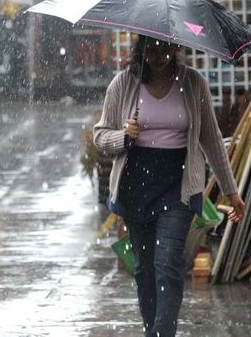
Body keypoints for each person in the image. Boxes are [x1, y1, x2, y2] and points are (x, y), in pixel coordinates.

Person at [93, 35, 245, 337]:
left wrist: (231, 191)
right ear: (140, 49)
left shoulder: (193, 83)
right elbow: (100, 136)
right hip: (136, 185)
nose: (159, 55)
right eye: (151, 48)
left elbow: (212, 140)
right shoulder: (124, 84)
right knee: (145, 270)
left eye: (165, 47)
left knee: (168, 264)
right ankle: (155, 330)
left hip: (179, 184)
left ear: (177, 48)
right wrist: (123, 135)